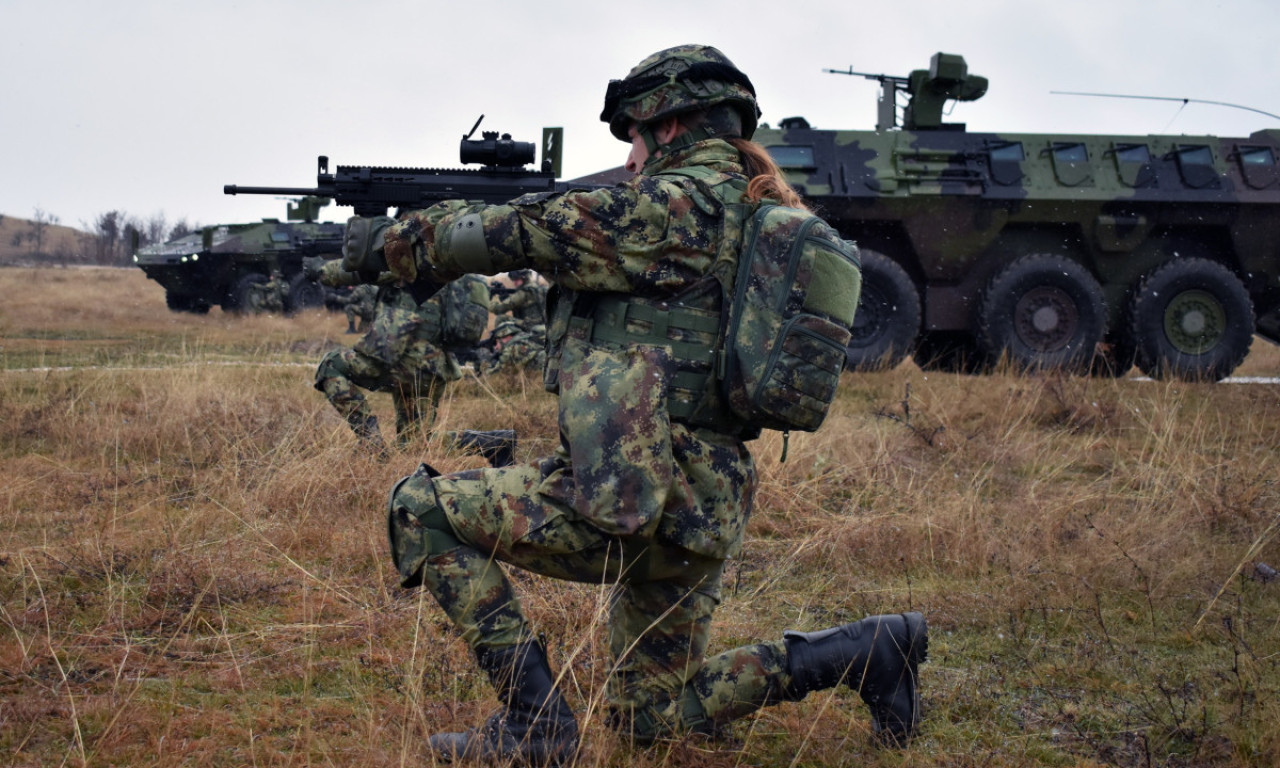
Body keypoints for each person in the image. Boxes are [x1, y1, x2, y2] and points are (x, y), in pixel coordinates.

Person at [344, 45, 926, 763]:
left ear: (669, 128)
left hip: (638, 497)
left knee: (419, 508)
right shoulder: (749, 211)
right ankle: (867, 651)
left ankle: (536, 727)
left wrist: (385, 244)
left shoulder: (671, 211)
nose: (628, 160)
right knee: (648, 716)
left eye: (633, 140)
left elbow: (516, 232)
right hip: (705, 504)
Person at [305, 257, 460, 455]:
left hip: (401, 360)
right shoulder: (447, 258)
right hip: (434, 369)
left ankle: (373, 445)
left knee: (331, 365)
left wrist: (319, 269)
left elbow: (356, 269)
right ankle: (494, 442)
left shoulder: (409, 254)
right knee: (413, 446)